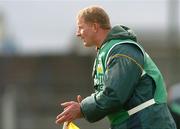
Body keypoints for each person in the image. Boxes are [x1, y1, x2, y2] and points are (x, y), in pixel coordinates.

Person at [55, 5, 177, 129]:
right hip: (133, 122)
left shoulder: (122, 50)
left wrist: (83, 108)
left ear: (95, 26)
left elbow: (114, 95)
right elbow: (109, 93)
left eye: (80, 27)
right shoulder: (107, 51)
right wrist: (86, 107)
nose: (77, 33)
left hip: (147, 123)